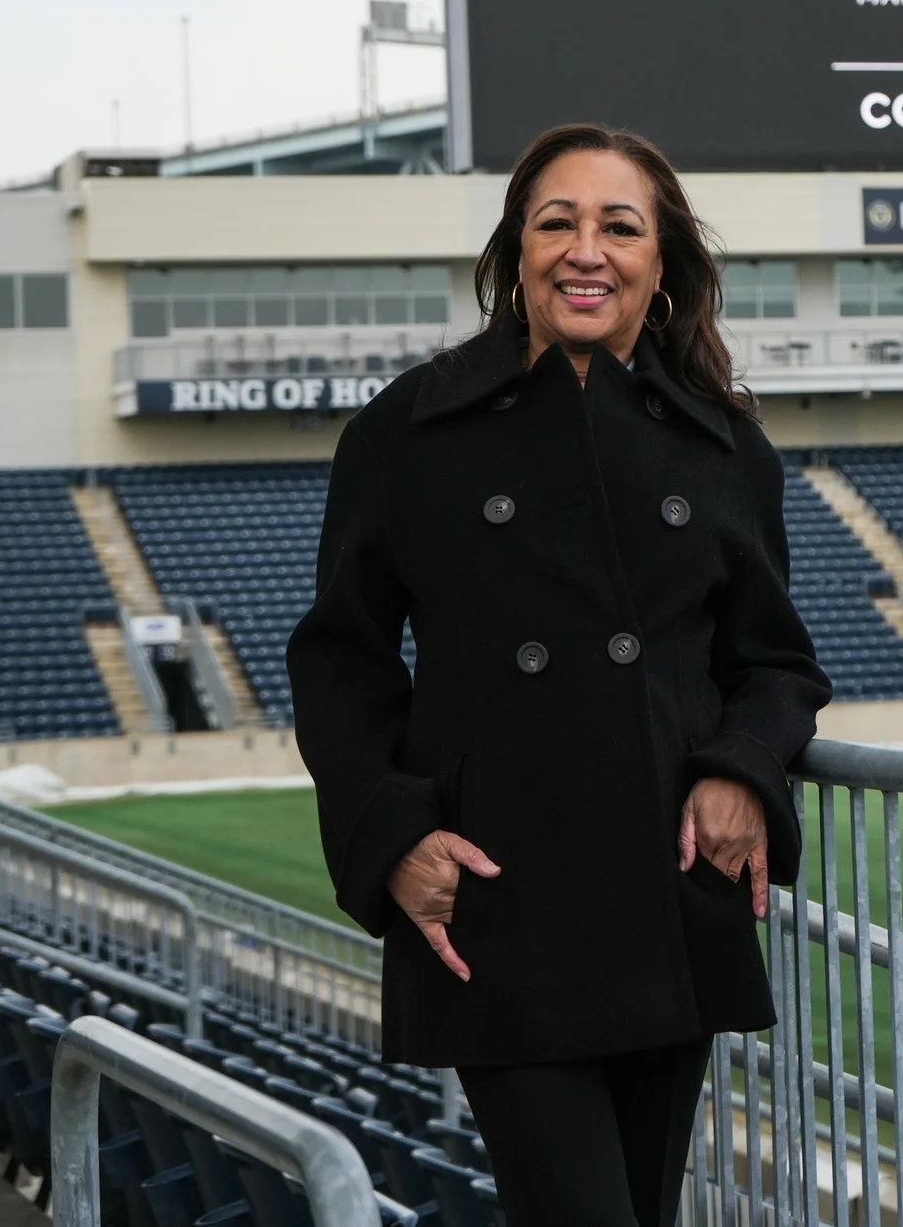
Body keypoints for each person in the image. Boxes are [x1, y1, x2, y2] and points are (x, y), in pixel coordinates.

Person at [287, 122, 832, 1227]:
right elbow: (338, 660)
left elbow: (775, 662)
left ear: (660, 263)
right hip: (498, 911)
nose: (587, 249)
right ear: (517, 252)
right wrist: (393, 834)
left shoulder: (722, 447)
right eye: (557, 221)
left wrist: (740, 764)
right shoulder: (408, 428)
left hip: (662, 899)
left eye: (619, 226)